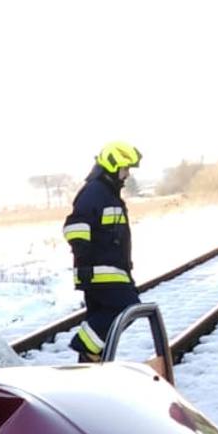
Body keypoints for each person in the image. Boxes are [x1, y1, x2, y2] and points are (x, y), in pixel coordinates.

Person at [63, 142, 142, 362]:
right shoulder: (95, 192)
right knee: (127, 306)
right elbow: (74, 226)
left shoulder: (106, 193)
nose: (127, 174)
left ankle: (90, 362)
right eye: (125, 168)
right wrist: (85, 255)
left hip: (109, 270)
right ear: (113, 165)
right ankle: (85, 348)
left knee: (102, 317)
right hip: (99, 271)